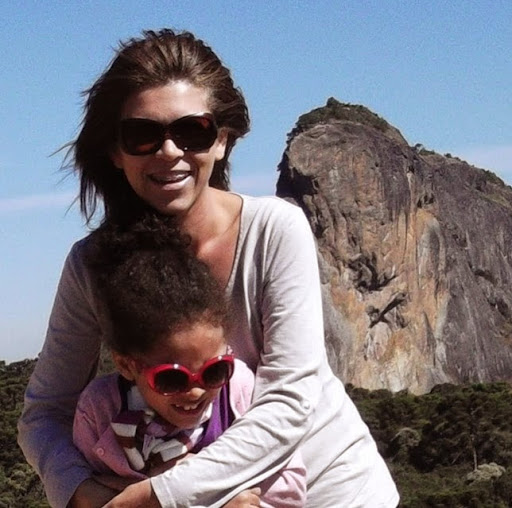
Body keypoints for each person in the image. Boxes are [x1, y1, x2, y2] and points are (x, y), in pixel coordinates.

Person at [18, 28, 399, 508]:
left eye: (191, 131)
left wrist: (155, 496)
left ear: (222, 140)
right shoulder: (93, 265)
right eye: (142, 135)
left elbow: (288, 400)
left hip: (330, 494)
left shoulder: (273, 230)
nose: (169, 151)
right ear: (115, 151)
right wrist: (79, 491)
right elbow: (44, 415)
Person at [72, 219, 306, 508]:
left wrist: (190, 486)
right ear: (126, 365)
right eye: (172, 378)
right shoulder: (100, 409)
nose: (196, 391)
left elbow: (291, 486)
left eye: (215, 371)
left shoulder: (238, 391)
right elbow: (90, 492)